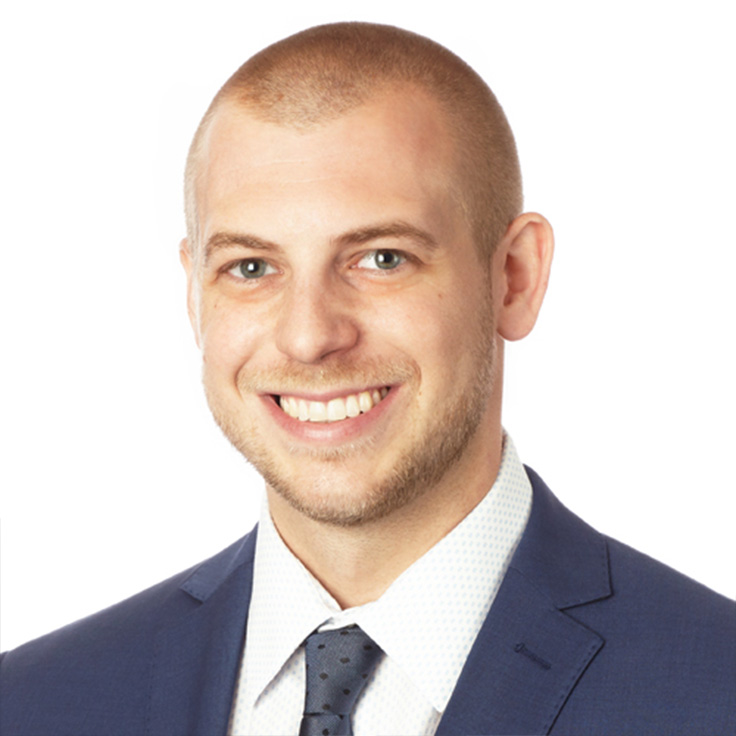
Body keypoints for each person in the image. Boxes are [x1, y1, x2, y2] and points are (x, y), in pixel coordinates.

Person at [1, 22, 734, 736]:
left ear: (514, 277)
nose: (310, 335)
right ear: (194, 294)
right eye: (251, 267)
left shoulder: (713, 689)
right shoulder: (34, 703)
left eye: (382, 258)